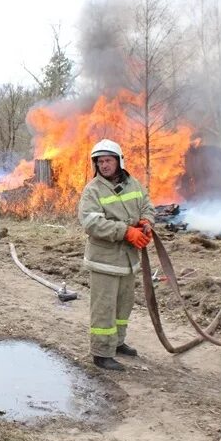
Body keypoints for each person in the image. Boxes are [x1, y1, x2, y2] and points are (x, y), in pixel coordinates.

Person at [77, 139, 155, 371]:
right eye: (100, 162)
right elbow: (92, 223)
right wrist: (126, 231)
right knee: (104, 309)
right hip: (105, 261)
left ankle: (117, 343)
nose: (104, 165)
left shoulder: (134, 185)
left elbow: (147, 204)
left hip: (128, 260)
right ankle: (101, 353)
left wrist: (147, 221)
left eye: (108, 160)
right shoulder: (93, 190)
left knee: (123, 306)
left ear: (119, 161)